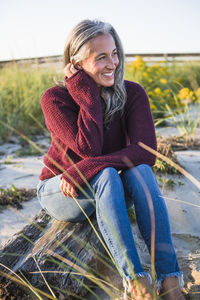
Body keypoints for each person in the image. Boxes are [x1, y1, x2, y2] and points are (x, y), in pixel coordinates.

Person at [37, 19, 185, 300]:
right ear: (76, 64)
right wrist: (87, 94)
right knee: (105, 175)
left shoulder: (133, 93)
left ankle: (169, 280)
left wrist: (90, 167)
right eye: (101, 57)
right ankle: (136, 282)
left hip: (104, 187)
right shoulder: (54, 99)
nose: (113, 63)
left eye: (115, 53)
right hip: (61, 190)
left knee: (139, 170)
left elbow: (146, 152)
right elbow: (88, 149)